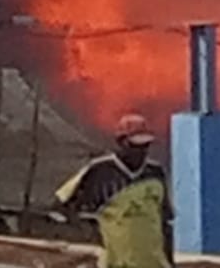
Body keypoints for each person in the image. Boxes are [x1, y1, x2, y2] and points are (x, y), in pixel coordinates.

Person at [55, 113, 173, 268]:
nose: (141, 151)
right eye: (135, 146)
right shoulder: (100, 172)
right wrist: (90, 232)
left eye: (145, 146)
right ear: (121, 142)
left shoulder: (155, 173)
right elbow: (62, 205)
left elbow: (165, 221)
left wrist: (170, 261)